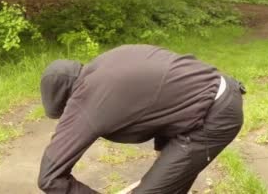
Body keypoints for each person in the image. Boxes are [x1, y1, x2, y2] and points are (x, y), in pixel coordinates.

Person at [38, 44, 245, 193]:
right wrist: (162, 153)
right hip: (216, 98)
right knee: (167, 185)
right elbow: (162, 96)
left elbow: (49, 178)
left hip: (213, 115)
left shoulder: (87, 97)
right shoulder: (106, 64)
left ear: (65, 100)